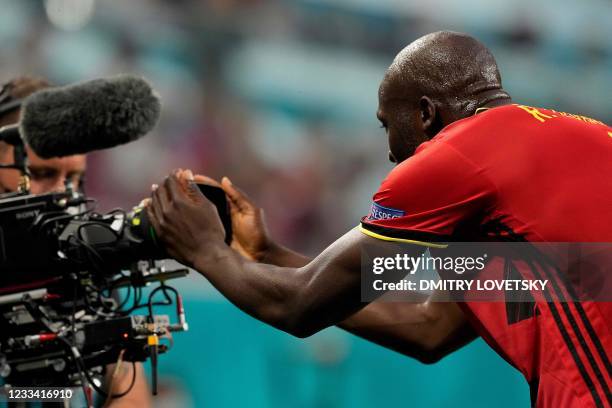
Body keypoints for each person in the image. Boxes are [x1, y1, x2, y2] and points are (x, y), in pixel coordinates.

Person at [147, 31, 612, 407]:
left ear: (426, 113)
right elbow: (431, 328)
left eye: (388, 124)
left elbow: (299, 307)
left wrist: (203, 249)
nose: (391, 153)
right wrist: (269, 254)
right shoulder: (576, 145)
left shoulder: (457, 155)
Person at [0, 76, 151, 408]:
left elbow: (128, 387)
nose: (62, 195)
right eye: (41, 174)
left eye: (76, 179)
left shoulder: (85, 266)